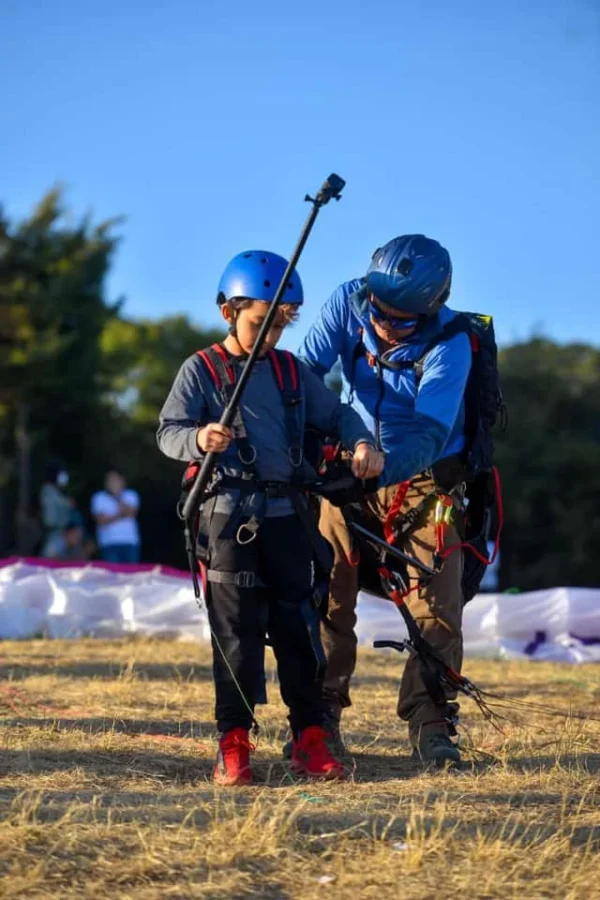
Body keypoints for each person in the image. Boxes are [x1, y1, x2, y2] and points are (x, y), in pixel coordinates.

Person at [157, 249, 383, 786]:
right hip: (227, 519)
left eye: (281, 323)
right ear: (227, 312)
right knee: (235, 635)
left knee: (299, 630)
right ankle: (233, 745)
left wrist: (359, 441)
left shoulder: (291, 372)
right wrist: (199, 438)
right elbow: (168, 432)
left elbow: (338, 413)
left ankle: (309, 739)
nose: (270, 336)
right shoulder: (201, 370)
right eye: (261, 323)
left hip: (287, 518)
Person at [298, 234, 472, 767]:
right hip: (351, 459)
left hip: (422, 478)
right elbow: (303, 377)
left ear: (432, 309)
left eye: (401, 321)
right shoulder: (348, 301)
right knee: (327, 590)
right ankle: (319, 717)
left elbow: (428, 435)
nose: (382, 326)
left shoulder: (452, 343)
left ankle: (432, 722)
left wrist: (375, 473)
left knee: (437, 604)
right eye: (378, 311)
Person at [91, 471, 141, 563]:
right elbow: (101, 520)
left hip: (130, 543)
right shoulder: (99, 497)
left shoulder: (131, 495)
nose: (112, 483)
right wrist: (122, 515)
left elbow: (131, 513)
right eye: (109, 481)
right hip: (109, 544)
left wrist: (118, 496)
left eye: (115, 480)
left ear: (122, 481)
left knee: (132, 575)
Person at [39, 464, 74, 558]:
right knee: (49, 562)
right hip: (54, 533)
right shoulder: (48, 490)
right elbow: (50, 519)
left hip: (60, 533)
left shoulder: (56, 491)